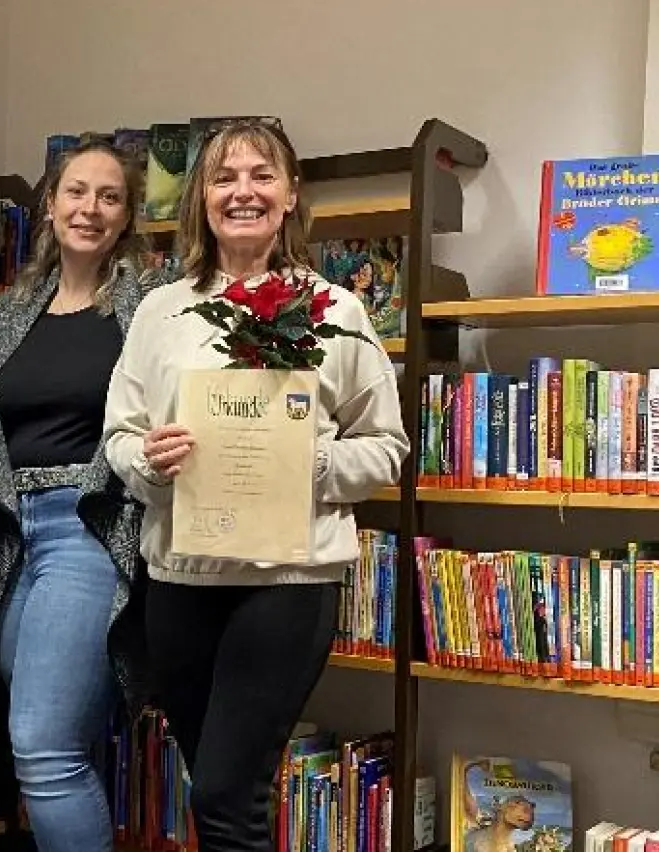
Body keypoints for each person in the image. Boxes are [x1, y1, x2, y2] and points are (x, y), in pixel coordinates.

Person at [99, 118, 407, 852]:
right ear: (201, 198)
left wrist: (310, 461)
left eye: (261, 176)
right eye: (223, 177)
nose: (242, 192)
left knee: (226, 795)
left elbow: (385, 448)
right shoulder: (158, 310)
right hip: (180, 578)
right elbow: (118, 436)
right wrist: (149, 457)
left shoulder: (338, 310)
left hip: (287, 581)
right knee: (213, 790)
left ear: (290, 194)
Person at [0, 138, 163, 852]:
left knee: (43, 746)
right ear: (49, 203)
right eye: (76, 191)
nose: (90, 208)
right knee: (56, 736)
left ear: (127, 214)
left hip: (90, 523)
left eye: (109, 196)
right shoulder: (12, 309)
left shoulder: (149, 306)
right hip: (13, 532)